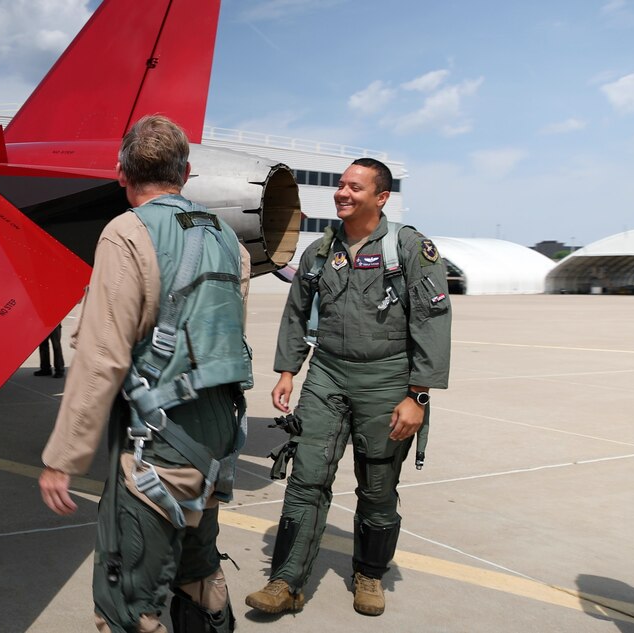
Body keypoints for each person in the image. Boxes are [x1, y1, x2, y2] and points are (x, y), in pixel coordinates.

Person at [38, 114, 252, 633]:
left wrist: (63, 457)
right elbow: (226, 334)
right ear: (187, 172)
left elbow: (101, 357)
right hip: (216, 441)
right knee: (198, 573)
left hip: (157, 444)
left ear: (120, 174)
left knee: (128, 598)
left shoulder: (125, 235)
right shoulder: (228, 238)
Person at [244, 158, 451, 617]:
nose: (342, 193)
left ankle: (369, 574)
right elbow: (298, 311)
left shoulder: (411, 248)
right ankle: (286, 581)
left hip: (387, 378)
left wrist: (417, 396)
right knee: (306, 478)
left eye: (354, 187)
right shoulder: (320, 251)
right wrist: (287, 370)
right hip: (328, 375)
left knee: (377, 487)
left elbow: (432, 321)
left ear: (380, 198)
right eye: (340, 185)